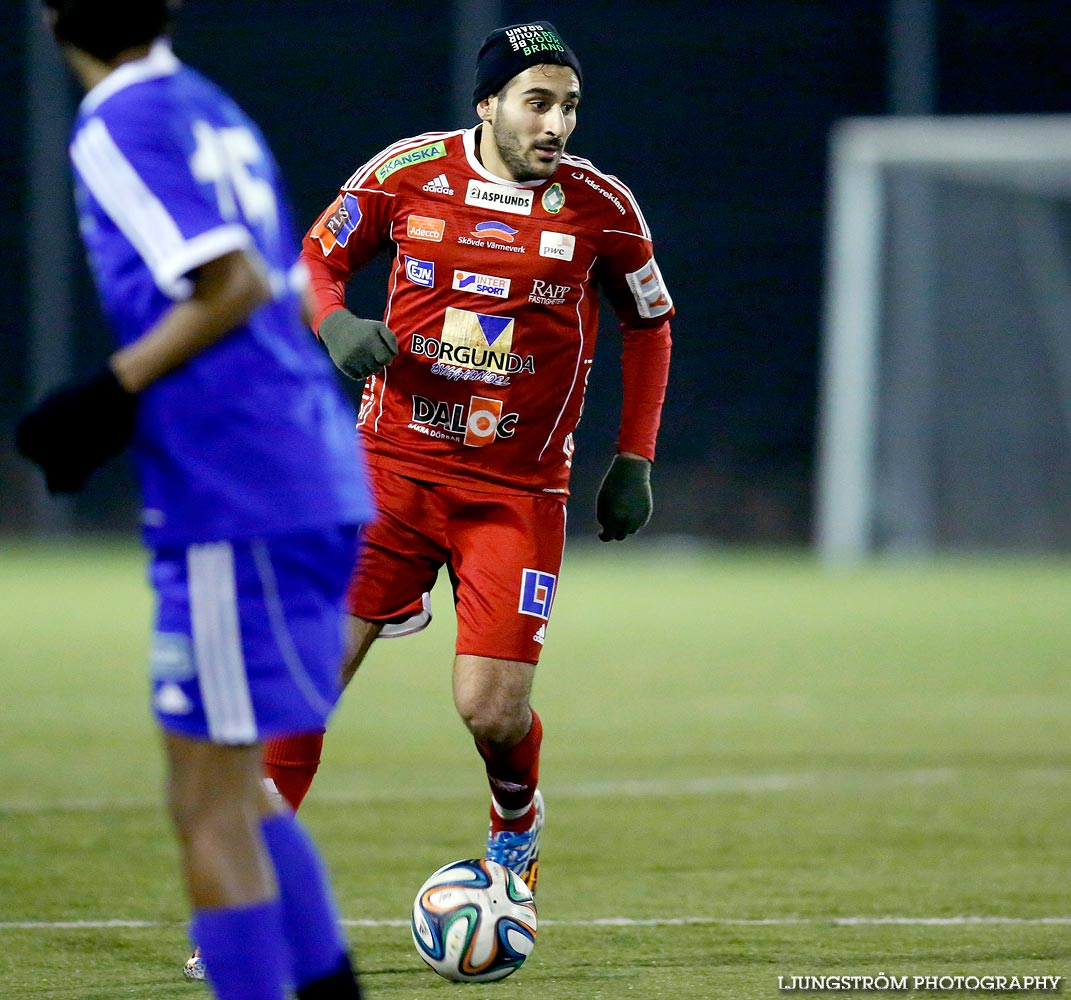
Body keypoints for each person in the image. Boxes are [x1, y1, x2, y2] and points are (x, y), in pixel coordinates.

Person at [262, 19, 674, 894]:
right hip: (389, 474)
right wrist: (332, 323)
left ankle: (515, 824)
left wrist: (632, 459)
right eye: (536, 103)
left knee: (490, 709)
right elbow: (314, 260)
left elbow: (650, 323)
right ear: (487, 104)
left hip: (515, 493)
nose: (556, 125)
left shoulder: (603, 208)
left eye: (568, 106)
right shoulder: (405, 173)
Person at [16, 3, 368, 997]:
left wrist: (104, 395)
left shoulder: (117, 120)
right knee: (235, 784)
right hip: (293, 472)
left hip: (240, 491)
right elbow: (278, 280)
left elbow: (231, 282)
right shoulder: (208, 104)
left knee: (205, 801)